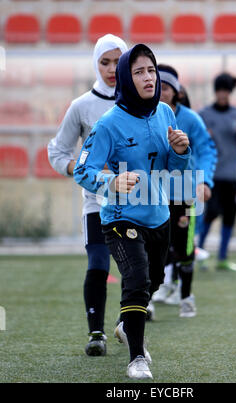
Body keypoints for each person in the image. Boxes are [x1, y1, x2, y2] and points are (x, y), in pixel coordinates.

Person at [73, 44, 190, 379]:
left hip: (159, 217)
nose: (148, 77)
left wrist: (181, 151)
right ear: (126, 78)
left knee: (153, 281)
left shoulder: (166, 113)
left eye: (151, 70)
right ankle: (137, 358)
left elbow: (174, 168)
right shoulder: (109, 124)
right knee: (136, 280)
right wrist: (111, 182)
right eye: (139, 72)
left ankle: (126, 325)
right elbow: (83, 170)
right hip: (120, 218)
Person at [48, 34, 128, 356]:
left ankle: (127, 322)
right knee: (98, 263)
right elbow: (57, 151)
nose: (111, 69)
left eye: (117, 62)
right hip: (97, 203)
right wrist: (82, 172)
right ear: (95, 65)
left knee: (138, 269)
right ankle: (96, 333)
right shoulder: (81, 106)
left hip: (137, 204)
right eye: (104, 62)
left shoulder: (140, 103)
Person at [151, 64, 217, 317]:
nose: (162, 91)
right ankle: (147, 301)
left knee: (185, 248)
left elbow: (206, 151)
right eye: (159, 86)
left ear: (177, 92)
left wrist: (205, 181)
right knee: (153, 249)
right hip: (153, 195)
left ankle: (186, 297)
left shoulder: (190, 119)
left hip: (185, 195)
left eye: (167, 87)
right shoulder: (146, 117)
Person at [197, 72, 236, 272]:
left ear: (230, 92)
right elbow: (195, 142)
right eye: (219, 90)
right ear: (215, 91)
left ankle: (223, 258)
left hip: (233, 175)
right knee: (210, 215)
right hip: (212, 175)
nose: (222, 94)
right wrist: (203, 136)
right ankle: (200, 254)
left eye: (226, 90)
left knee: (230, 216)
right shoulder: (204, 114)